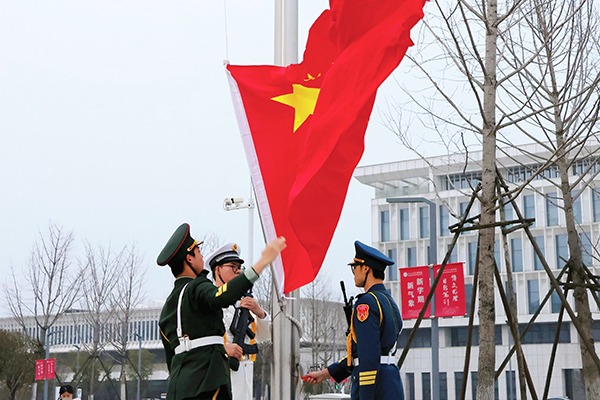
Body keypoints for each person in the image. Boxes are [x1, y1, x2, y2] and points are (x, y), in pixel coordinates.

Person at [157, 223, 285, 400]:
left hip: (183, 387)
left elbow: (172, 357)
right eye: (198, 252)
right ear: (189, 259)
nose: (202, 256)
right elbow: (221, 297)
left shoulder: (169, 306)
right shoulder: (199, 289)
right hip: (209, 382)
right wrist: (261, 263)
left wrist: (259, 312)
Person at [302, 240, 404, 400]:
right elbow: (360, 353)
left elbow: (368, 356)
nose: (354, 272)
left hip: (375, 388)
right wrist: (325, 373)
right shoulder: (389, 302)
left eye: (355, 267)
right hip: (390, 383)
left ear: (366, 268)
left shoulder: (366, 303)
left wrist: (366, 395)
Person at [206, 243, 270, 400]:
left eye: (239, 267)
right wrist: (222, 349)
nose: (237, 271)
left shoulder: (243, 305)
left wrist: (260, 313)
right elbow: (197, 344)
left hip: (245, 372)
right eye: (232, 266)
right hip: (221, 372)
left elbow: (264, 337)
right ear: (217, 270)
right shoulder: (208, 303)